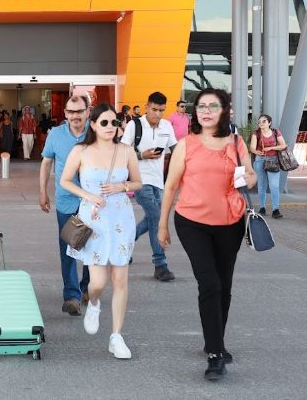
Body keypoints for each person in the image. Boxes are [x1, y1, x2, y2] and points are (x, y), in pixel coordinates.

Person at [159, 88, 256, 382]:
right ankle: (215, 354)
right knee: (210, 283)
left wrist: (248, 177)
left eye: (213, 106)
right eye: (201, 106)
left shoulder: (237, 142)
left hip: (231, 222)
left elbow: (250, 176)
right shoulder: (185, 145)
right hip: (192, 222)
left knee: (224, 286)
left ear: (225, 110)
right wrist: (162, 224)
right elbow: (171, 186)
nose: (206, 110)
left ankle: (215, 340)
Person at [60, 104, 142, 360]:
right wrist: (88, 195)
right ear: (93, 124)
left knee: (120, 279)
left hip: (121, 218)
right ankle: (93, 303)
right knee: (97, 282)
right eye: (104, 123)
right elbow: (65, 180)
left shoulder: (126, 151)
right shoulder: (81, 150)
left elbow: (138, 182)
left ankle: (116, 336)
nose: (110, 127)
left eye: (114, 123)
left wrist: (122, 186)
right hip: (93, 219)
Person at [39, 95, 92, 316]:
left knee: (92, 247)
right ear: (66, 114)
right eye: (70, 112)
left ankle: (87, 286)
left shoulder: (97, 131)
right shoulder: (56, 134)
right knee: (68, 248)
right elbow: (46, 162)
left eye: (79, 111)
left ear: (88, 111)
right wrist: (42, 191)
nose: (75, 116)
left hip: (93, 201)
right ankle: (71, 295)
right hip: (66, 201)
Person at [120, 91, 177, 282]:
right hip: (139, 180)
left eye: (161, 110)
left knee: (152, 219)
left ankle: (124, 245)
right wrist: (141, 156)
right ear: (146, 107)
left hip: (158, 181)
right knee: (156, 217)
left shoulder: (167, 126)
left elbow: (176, 150)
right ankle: (160, 264)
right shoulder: (133, 125)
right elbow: (123, 152)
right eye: (154, 110)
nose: (158, 114)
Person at [249, 114, 287, 219]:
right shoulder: (256, 133)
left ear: (269, 122)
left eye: (264, 121)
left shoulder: (275, 132)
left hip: (273, 160)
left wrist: (271, 148)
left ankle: (276, 209)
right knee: (261, 185)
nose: (261, 123)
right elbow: (252, 147)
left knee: (274, 186)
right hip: (260, 160)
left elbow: (283, 145)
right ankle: (262, 208)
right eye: (259, 121)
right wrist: (257, 151)